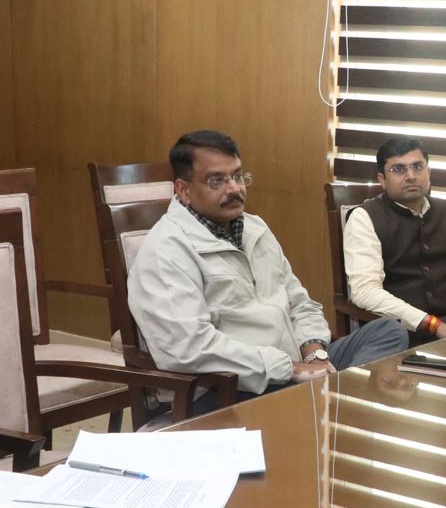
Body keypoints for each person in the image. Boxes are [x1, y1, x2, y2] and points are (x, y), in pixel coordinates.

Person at [128, 129, 407, 398]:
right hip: (230, 386)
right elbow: (187, 347)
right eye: (216, 181)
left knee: (388, 331)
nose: (234, 189)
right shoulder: (166, 249)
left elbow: (300, 303)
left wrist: (314, 353)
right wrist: (288, 369)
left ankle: (332, 402)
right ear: (184, 190)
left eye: (238, 176)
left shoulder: (254, 228)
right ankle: (337, 405)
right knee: (344, 393)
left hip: (292, 366)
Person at [342, 136, 446, 341]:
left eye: (417, 167)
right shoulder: (364, 218)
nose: (411, 176)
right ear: (382, 179)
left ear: (429, 172)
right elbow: (365, 291)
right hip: (396, 336)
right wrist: (433, 325)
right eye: (398, 169)